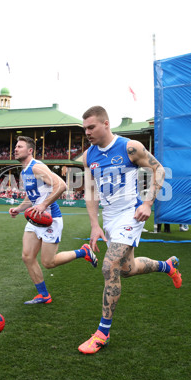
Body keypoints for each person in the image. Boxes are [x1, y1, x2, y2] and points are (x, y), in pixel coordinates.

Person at [78, 106, 182, 354]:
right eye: (84, 129)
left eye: (91, 127)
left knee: (109, 265)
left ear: (106, 123)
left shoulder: (129, 147)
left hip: (131, 214)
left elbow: (159, 169)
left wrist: (148, 202)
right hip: (110, 218)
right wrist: (94, 224)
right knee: (127, 269)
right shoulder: (88, 156)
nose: (87, 133)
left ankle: (102, 333)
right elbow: (91, 191)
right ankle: (167, 266)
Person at [8, 136, 98, 305]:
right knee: (27, 257)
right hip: (35, 218)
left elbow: (62, 185)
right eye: (15, 146)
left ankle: (83, 252)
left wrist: (43, 204)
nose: (15, 149)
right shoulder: (25, 171)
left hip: (50, 219)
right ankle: (44, 295)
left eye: (19, 146)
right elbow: (32, 196)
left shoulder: (37, 167)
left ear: (29, 151)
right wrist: (19, 209)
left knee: (48, 262)